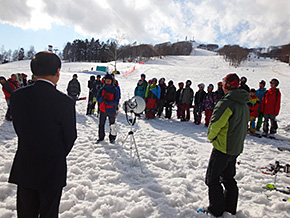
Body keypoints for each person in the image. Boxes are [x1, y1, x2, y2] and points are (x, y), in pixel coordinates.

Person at [9, 51, 77, 218]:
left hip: (26, 164)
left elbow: (19, 127)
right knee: (49, 213)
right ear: (57, 71)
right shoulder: (65, 102)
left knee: (25, 212)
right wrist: (56, 154)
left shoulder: (17, 96)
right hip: (52, 168)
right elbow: (70, 137)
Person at [203, 73, 249, 217]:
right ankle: (229, 209)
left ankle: (216, 209)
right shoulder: (243, 103)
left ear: (226, 86)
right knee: (229, 178)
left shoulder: (227, 103)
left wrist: (211, 137)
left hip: (223, 147)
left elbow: (216, 124)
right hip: (235, 147)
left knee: (212, 178)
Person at [96, 74, 120, 143]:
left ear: (111, 81)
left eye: (109, 81)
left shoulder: (115, 90)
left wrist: (108, 103)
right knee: (101, 124)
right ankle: (101, 137)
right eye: (106, 81)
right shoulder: (102, 89)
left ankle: (112, 138)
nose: (107, 82)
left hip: (111, 110)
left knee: (112, 125)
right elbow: (98, 99)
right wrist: (102, 98)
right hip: (103, 110)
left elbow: (116, 101)